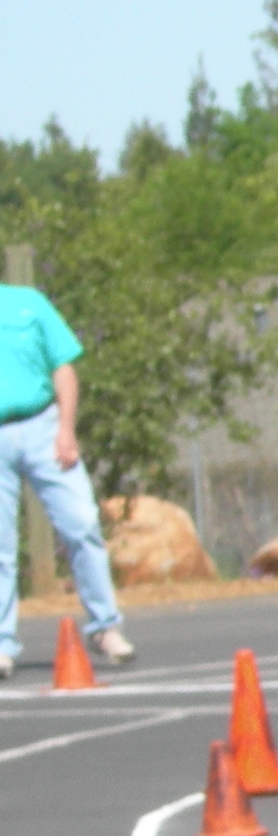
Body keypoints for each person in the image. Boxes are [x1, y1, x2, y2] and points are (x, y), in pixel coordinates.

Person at [0, 277, 132, 678]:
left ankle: (105, 627)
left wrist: (66, 429)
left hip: (43, 426)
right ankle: (2, 644)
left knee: (81, 524)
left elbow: (63, 366)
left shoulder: (28, 304)